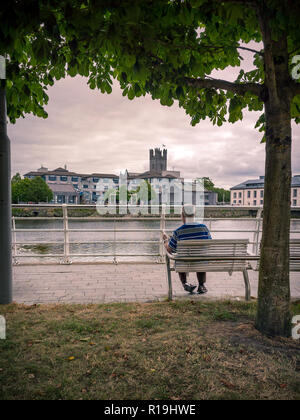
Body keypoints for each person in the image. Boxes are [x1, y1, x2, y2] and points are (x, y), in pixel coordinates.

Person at [162, 204, 212, 294]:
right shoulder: (204, 228)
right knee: (201, 257)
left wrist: (166, 240)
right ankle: (201, 285)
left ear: (182, 215)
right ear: (194, 215)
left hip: (184, 263)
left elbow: (170, 249)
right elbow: (209, 244)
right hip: (201, 262)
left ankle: (185, 283)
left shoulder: (178, 231)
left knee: (180, 258)